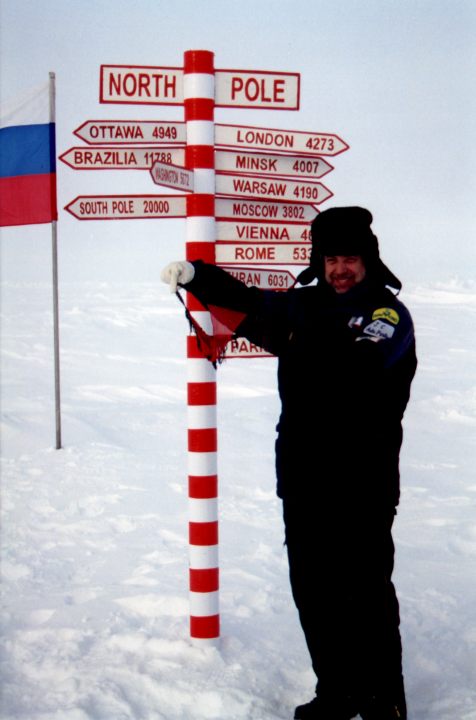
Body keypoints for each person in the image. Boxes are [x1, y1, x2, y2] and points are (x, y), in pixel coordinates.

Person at [161, 206, 417, 720]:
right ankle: (338, 692)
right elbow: (249, 302)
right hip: (302, 477)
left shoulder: (387, 316)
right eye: (331, 259)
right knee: (315, 593)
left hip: (362, 481)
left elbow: (356, 369)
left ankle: (383, 698)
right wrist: (197, 276)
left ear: (369, 261)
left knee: (365, 591)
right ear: (318, 261)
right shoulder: (300, 308)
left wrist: (293, 334)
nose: (341, 268)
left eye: (351, 258)